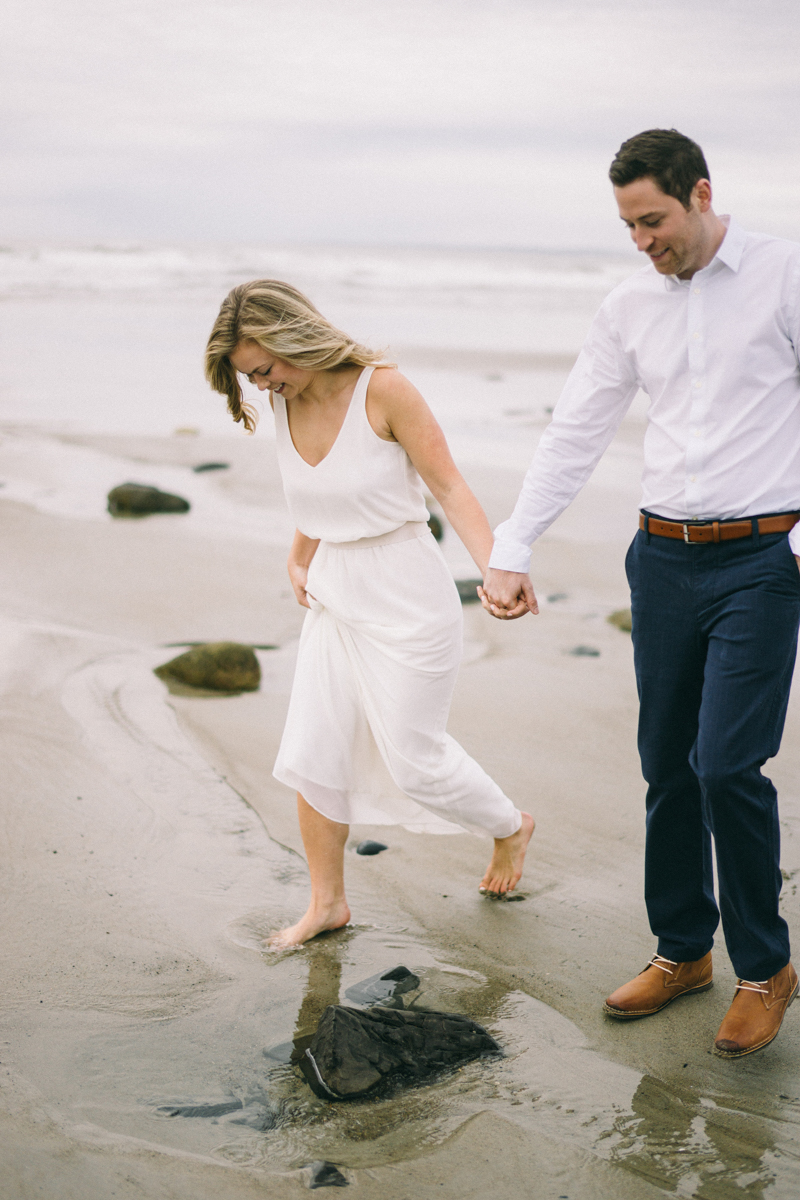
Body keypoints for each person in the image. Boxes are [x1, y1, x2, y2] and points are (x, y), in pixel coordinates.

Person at [481, 128, 800, 1058]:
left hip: (761, 560)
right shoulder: (628, 305)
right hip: (660, 559)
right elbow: (575, 429)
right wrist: (513, 544)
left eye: (653, 220)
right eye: (627, 224)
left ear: (700, 195)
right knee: (666, 762)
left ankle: (765, 968)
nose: (641, 241)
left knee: (726, 765)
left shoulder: (782, 275)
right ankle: (681, 952)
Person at [205, 280, 534, 949]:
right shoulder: (283, 401)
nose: (263, 386)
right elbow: (316, 493)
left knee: (416, 760)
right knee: (314, 751)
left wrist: (496, 569)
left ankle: (508, 826)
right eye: (249, 377)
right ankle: (327, 904)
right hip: (335, 593)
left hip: (406, 591)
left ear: (291, 336)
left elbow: (447, 485)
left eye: (264, 369)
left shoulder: (383, 389)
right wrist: (299, 555)